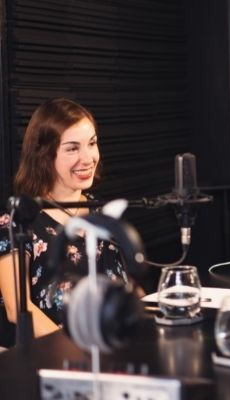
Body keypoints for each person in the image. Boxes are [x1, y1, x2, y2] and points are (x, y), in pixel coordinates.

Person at [0, 98, 130, 338]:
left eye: (92, 143)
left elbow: (127, 289)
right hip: (55, 358)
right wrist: (78, 350)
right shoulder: (18, 219)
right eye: (72, 148)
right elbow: (17, 308)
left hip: (111, 350)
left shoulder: (101, 212)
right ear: (44, 155)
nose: (88, 158)